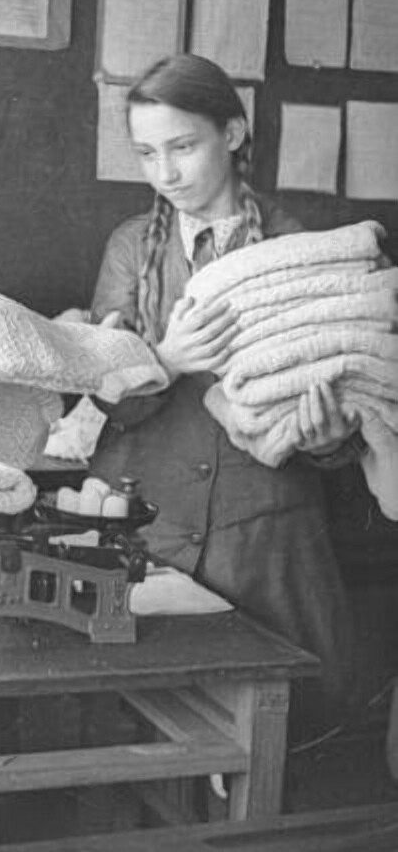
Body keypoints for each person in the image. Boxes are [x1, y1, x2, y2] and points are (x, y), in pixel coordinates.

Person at [90, 54, 361, 715]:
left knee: (274, 727)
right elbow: (103, 402)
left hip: (262, 540)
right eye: (146, 153)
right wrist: (166, 360)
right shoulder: (130, 247)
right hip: (150, 526)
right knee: (138, 722)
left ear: (233, 133)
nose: (164, 173)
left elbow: (340, 410)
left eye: (182, 147)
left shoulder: (302, 247)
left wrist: (325, 438)